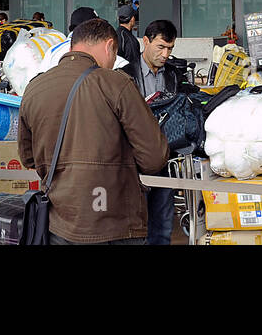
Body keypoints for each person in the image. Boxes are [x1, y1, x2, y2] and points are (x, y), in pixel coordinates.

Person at [17, 17, 168, 245]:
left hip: (59, 221)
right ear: (109, 46)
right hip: (115, 222)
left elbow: (28, 157)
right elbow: (154, 157)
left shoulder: (35, 87)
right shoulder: (117, 83)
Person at [129, 18, 180, 245]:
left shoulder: (173, 75)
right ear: (146, 41)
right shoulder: (125, 73)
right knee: (133, 224)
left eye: (169, 48)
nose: (165, 54)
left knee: (161, 224)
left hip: (163, 159)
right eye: (161, 47)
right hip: (133, 162)